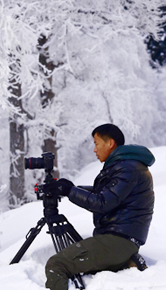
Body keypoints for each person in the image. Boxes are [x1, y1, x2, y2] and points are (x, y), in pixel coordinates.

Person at [43, 124, 155, 290]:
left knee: (57, 264)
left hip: (118, 240)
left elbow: (102, 202)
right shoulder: (126, 166)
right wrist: (69, 188)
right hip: (121, 240)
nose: (94, 150)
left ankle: (124, 259)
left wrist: (70, 191)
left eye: (96, 143)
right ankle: (126, 262)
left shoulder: (127, 169)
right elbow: (104, 193)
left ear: (110, 143)